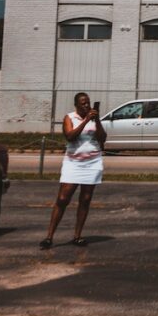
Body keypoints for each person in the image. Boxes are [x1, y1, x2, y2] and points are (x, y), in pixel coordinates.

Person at [42, 92, 106, 249]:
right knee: (63, 198)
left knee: (85, 199)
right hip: (73, 163)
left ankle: (77, 236)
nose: (86, 105)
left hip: (92, 162)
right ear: (76, 105)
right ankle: (49, 237)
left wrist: (96, 120)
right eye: (83, 103)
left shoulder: (94, 119)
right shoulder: (69, 118)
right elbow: (70, 136)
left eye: (88, 103)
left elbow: (102, 138)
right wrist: (85, 121)